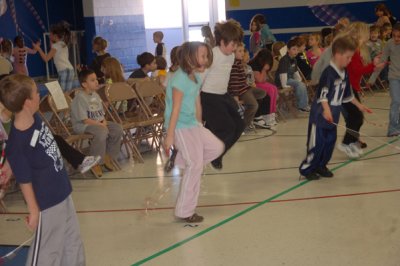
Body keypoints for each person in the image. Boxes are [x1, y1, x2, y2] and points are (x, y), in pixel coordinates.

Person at [0, 74, 85, 265]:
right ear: (27, 102)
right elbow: (24, 180)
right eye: (37, 93)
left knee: (72, 244)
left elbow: (20, 157)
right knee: (47, 253)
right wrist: (34, 210)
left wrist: (7, 165)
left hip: (63, 192)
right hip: (47, 204)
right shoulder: (17, 141)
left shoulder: (35, 118)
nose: (40, 95)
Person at [164, 41, 224, 223]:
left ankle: (182, 157)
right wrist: (170, 136)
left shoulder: (196, 76)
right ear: (190, 58)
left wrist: (199, 123)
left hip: (192, 124)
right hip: (180, 126)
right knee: (195, 166)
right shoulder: (179, 80)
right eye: (203, 56)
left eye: (206, 56)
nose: (206, 60)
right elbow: (175, 109)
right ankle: (185, 211)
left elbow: (197, 101)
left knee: (217, 147)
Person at [299, 36, 371, 181]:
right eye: (348, 57)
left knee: (329, 143)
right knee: (317, 144)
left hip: (333, 118)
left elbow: (347, 95)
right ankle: (307, 169)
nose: (350, 60)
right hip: (320, 117)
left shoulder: (344, 73)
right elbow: (323, 96)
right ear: (338, 55)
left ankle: (321, 165)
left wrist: (359, 105)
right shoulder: (328, 73)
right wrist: (326, 110)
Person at [200, 19, 244, 170]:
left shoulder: (231, 56)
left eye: (236, 45)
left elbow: (225, 78)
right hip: (209, 97)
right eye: (233, 44)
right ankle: (213, 154)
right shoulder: (213, 55)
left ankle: (216, 153)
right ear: (223, 41)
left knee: (239, 125)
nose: (234, 48)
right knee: (228, 129)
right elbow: (200, 79)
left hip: (223, 95)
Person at [338, 22, 386, 158]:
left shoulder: (356, 49)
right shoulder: (351, 50)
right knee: (356, 117)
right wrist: (373, 66)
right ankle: (346, 143)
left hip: (351, 87)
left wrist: (374, 65)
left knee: (356, 117)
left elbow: (358, 71)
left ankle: (352, 141)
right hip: (346, 89)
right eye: (365, 33)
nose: (367, 36)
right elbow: (357, 70)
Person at [71, 69, 123, 177]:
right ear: (84, 84)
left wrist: (103, 122)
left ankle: (108, 157)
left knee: (117, 128)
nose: (96, 82)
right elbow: (84, 119)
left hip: (98, 123)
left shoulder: (95, 95)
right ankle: (94, 162)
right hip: (83, 125)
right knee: (101, 132)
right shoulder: (80, 97)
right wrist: (100, 125)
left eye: (96, 79)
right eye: (92, 80)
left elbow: (101, 114)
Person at [227, 43, 266, 129]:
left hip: (246, 88)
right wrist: (236, 96)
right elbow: (234, 83)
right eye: (240, 51)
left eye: (243, 51)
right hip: (241, 91)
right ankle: (242, 125)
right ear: (233, 53)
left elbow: (243, 80)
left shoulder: (239, 63)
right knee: (254, 105)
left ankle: (251, 114)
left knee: (263, 93)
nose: (242, 53)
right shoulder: (234, 65)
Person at [371, 23, 400, 136]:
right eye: (394, 35)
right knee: (396, 102)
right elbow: (382, 61)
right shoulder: (389, 43)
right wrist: (372, 79)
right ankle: (392, 129)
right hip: (394, 77)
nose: (396, 38)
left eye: (399, 36)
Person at [33, 21, 75, 91]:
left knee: (62, 94)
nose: (49, 36)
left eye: (50, 35)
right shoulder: (63, 44)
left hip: (63, 71)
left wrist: (39, 49)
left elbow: (46, 59)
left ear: (55, 36)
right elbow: (53, 48)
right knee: (67, 93)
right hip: (70, 70)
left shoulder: (56, 46)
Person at [275, 38, 309, 112]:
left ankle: (301, 104)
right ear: (288, 50)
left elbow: (295, 73)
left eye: (297, 49)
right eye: (293, 49)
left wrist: (300, 81)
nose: (296, 51)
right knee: (300, 85)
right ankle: (302, 106)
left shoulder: (294, 60)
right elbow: (282, 75)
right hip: (282, 81)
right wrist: (284, 86)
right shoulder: (284, 60)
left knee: (300, 84)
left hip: (289, 79)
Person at [248, 48, 278, 126]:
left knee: (274, 88)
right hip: (253, 85)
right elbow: (260, 80)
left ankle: (272, 112)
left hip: (258, 83)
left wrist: (264, 70)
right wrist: (264, 70)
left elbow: (264, 80)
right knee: (270, 89)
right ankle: (267, 114)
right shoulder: (254, 65)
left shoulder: (262, 65)